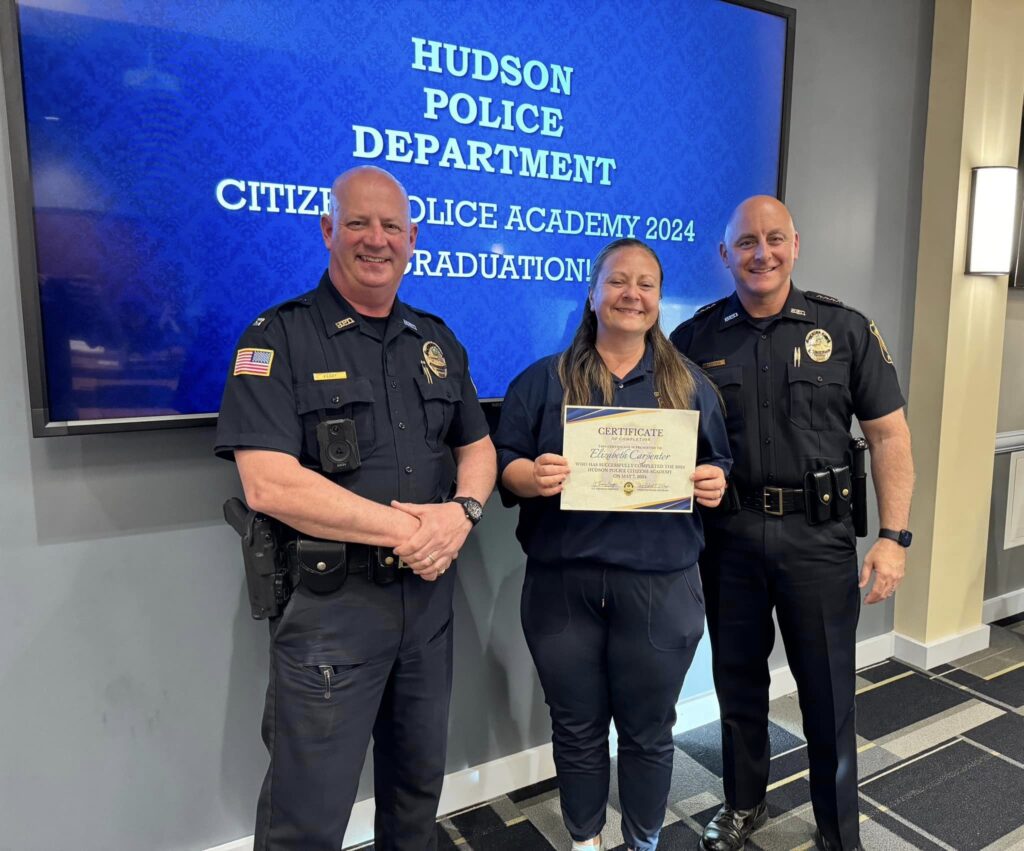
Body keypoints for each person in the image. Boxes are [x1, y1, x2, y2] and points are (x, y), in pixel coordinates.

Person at [215, 165, 497, 851]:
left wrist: (460, 514)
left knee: (415, 798)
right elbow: (269, 484)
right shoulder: (275, 338)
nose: (378, 239)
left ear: (414, 238)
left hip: (428, 604)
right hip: (332, 612)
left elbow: (479, 448)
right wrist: (411, 528)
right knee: (306, 818)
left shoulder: (435, 340)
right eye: (360, 223)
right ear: (328, 229)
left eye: (392, 226)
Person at [670, 196, 914, 851]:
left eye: (774, 239)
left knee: (828, 692)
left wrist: (893, 539)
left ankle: (837, 828)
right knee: (738, 680)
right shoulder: (694, 340)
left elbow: (890, 437)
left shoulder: (846, 329)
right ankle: (744, 802)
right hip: (730, 539)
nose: (762, 252)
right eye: (746, 242)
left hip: (819, 538)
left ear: (796, 245)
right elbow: (665, 439)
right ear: (725, 255)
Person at [494, 238, 732, 851]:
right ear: (593, 293)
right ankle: (584, 840)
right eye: (618, 281)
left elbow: (719, 467)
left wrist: (713, 482)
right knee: (575, 729)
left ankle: (644, 840)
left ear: (658, 299)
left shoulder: (691, 386)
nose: (632, 294)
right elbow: (505, 465)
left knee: (650, 731)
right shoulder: (542, 380)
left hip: (660, 586)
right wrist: (530, 476)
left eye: (646, 283)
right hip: (562, 586)